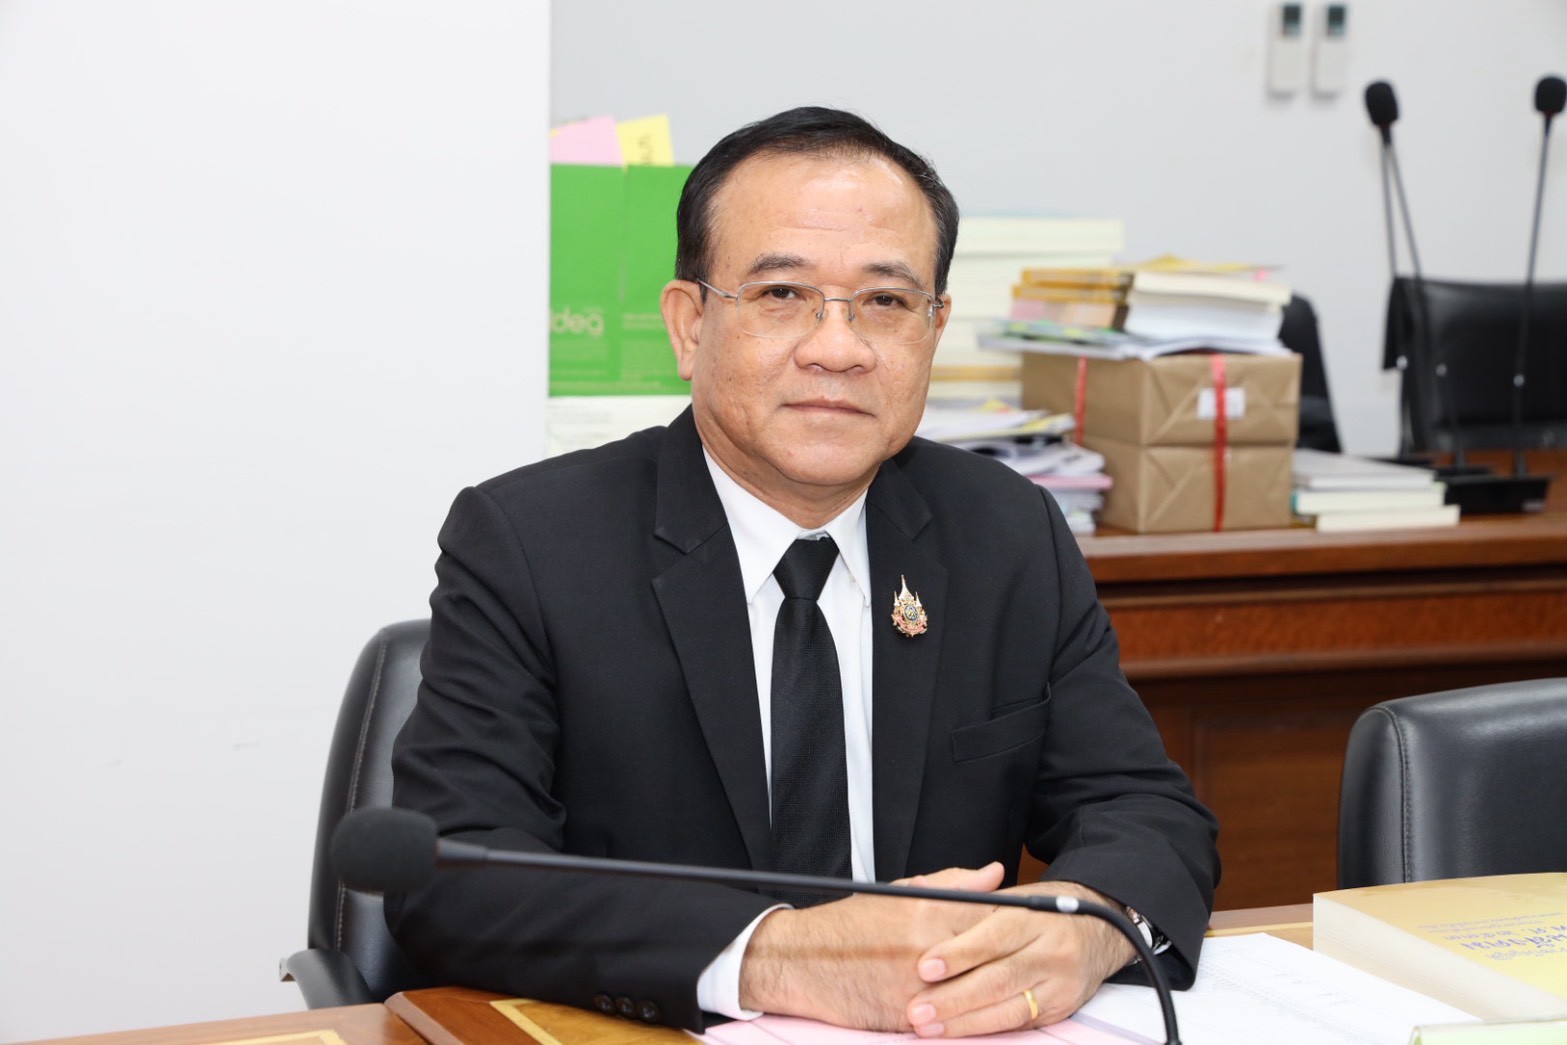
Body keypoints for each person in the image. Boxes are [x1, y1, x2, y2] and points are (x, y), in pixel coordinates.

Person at [386, 106, 1219, 1038]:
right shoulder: (533, 542)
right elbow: (453, 872)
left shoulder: (1003, 531)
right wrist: (781, 957)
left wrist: (1085, 928)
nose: (837, 347)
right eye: (782, 294)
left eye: (885, 302)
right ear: (689, 324)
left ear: (934, 329)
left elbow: (1145, 812)